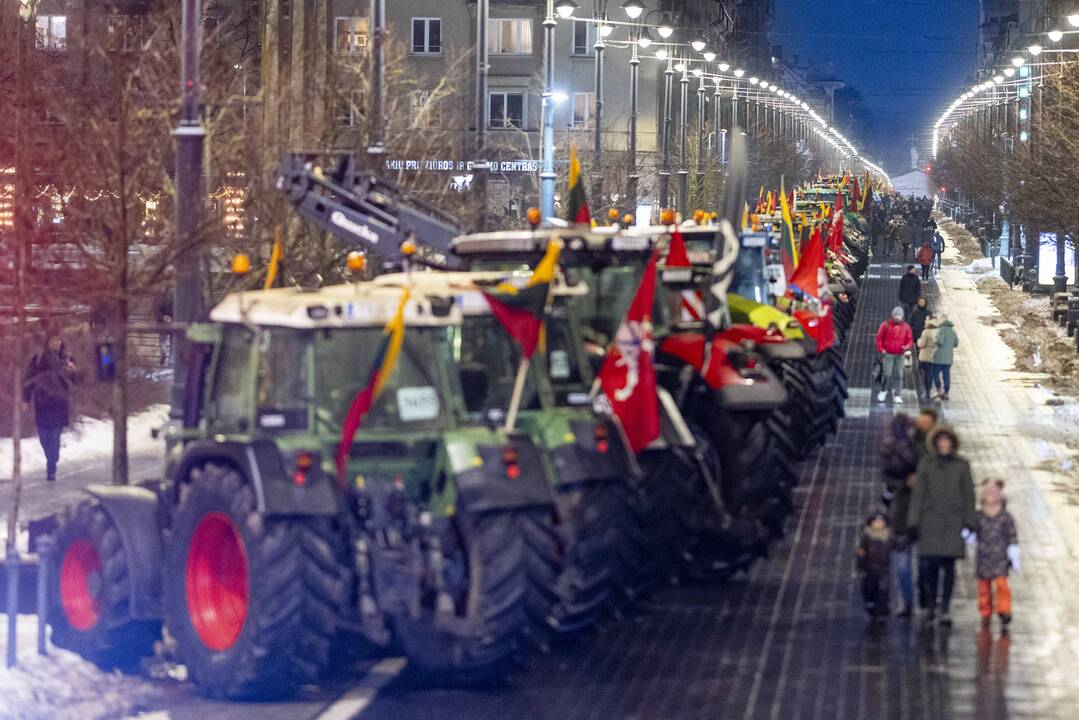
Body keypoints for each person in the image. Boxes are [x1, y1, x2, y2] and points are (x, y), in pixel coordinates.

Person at [908, 426, 977, 625]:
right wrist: (914, 521)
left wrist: (969, 521)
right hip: (931, 522)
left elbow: (968, 495)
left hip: (953, 524)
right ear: (936, 442)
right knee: (931, 567)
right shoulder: (927, 464)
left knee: (949, 567)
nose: (944, 443)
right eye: (941, 440)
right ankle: (931, 606)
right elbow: (918, 494)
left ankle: (944, 608)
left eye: (947, 440)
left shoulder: (962, 466)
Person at [22, 332, 81, 482]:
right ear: (47, 342)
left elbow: (76, 381)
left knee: (55, 435)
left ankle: (51, 464)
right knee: (43, 436)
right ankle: (51, 458)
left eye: (58, 340)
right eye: (53, 340)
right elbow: (29, 380)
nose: (56, 343)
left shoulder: (67, 359)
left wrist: (74, 371)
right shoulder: (38, 360)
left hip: (60, 403)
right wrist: (26, 399)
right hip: (42, 403)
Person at [974, 480, 1019, 630]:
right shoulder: (979, 516)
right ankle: (985, 611)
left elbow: (1012, 536)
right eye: (987, 493)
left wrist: (1013, 553)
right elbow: (972, 532)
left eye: (994, 493)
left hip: (1001, 558)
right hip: (983, 557)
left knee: (1002, 586)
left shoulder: (1005, 517)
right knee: (983, 587)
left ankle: (1004, 611)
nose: (991, 496)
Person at [857, 508, 895, 622]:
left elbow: (894, 545)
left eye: (881, 522)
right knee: (869, 587)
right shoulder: (866, 536)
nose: (879, 524)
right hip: (869, 567)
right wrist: (860, 562)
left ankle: (882, 608)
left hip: (883, 568)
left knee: (883, 589)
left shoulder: (888, 535)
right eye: (876, 522)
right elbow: (861, 551)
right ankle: (871, 603)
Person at [876, 306, 913, 404]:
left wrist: (907, 347)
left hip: (900, 355)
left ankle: (897, 394)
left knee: (899, 375)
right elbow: (879, 337)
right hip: (888, 354)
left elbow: (909, 340)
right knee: (887, 374)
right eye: (896, 315)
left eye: (899, 315)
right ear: (893, 315)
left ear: (902, 316)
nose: (897, 317)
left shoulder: (906, 327)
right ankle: (883, 391)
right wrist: (881, 349)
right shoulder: (885, 325)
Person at [931, 314, 959, 400]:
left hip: (939, 358)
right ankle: (946, 392)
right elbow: (956, 344)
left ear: (943, 320)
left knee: (935, 373)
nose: (938, 321)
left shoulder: (941, 330)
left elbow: (940, 341)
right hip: (949, 358)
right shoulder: (953, 331)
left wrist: (935, 339)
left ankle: (939, 389)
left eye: (939, 319)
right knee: (946, 375)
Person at [916, 315, 940, 400]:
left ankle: (927, 392)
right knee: (934, 373)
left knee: (927, 374)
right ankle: (936, 391)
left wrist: (918, 341)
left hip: (926, 356)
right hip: (936, 355)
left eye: (926, 320)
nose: (925, 321)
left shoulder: (926, 332)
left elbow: (921, 344)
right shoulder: (939, 331)